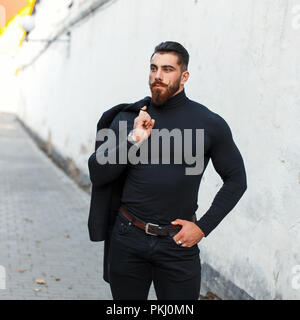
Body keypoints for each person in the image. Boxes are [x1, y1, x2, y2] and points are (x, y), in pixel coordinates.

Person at [88, 41, 247, 300]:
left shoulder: (208, 123)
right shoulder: (128, 119)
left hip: (177, 244)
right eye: (153, 68)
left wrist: (203, 227)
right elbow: (98, 173)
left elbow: (236, 179)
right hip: (129, 237)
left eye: (167, 69)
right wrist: (134, 139)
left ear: (184, 76)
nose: (157, 76)